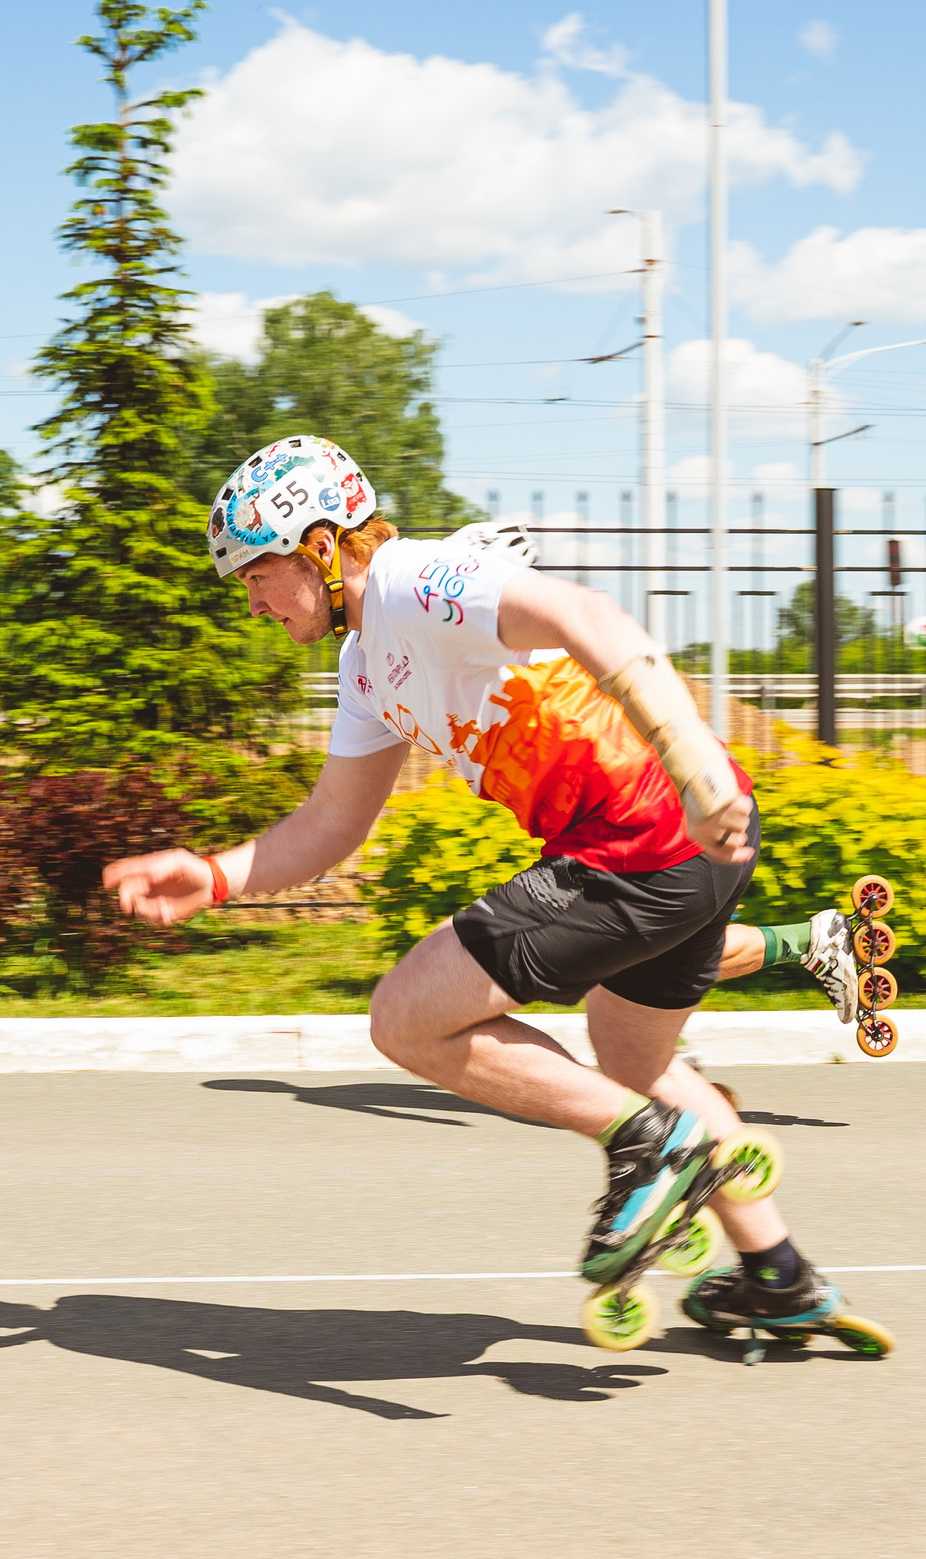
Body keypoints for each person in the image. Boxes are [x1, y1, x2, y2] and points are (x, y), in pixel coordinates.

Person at [104, 436, 886, 1354]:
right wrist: (219, 873)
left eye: (255, 574)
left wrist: (693, 760)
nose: (252, 602)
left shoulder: (414, 580)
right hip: (691, 852)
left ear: (318, 546)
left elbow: (587, 614)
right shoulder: (365, 668)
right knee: (633, 1057)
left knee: (405, 1018)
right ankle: (779, 1274)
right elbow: (333, 824)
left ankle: (649, 1145)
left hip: (640, 836)